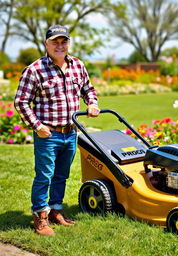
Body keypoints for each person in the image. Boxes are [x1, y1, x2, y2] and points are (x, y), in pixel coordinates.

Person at [14, 24, 100, 236]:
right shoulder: (34, 70)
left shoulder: (78, 66)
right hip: (48, 134)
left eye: (64, 41)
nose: (60, 46)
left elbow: (88, 89)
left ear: (68, 43)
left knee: (61, 175)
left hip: (71, 132)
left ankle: (56, 210)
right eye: (55, 42)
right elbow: (21, 102)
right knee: (45, 176)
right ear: (46, 44)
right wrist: (38, 126)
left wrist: (92, 103)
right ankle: (40, 216)